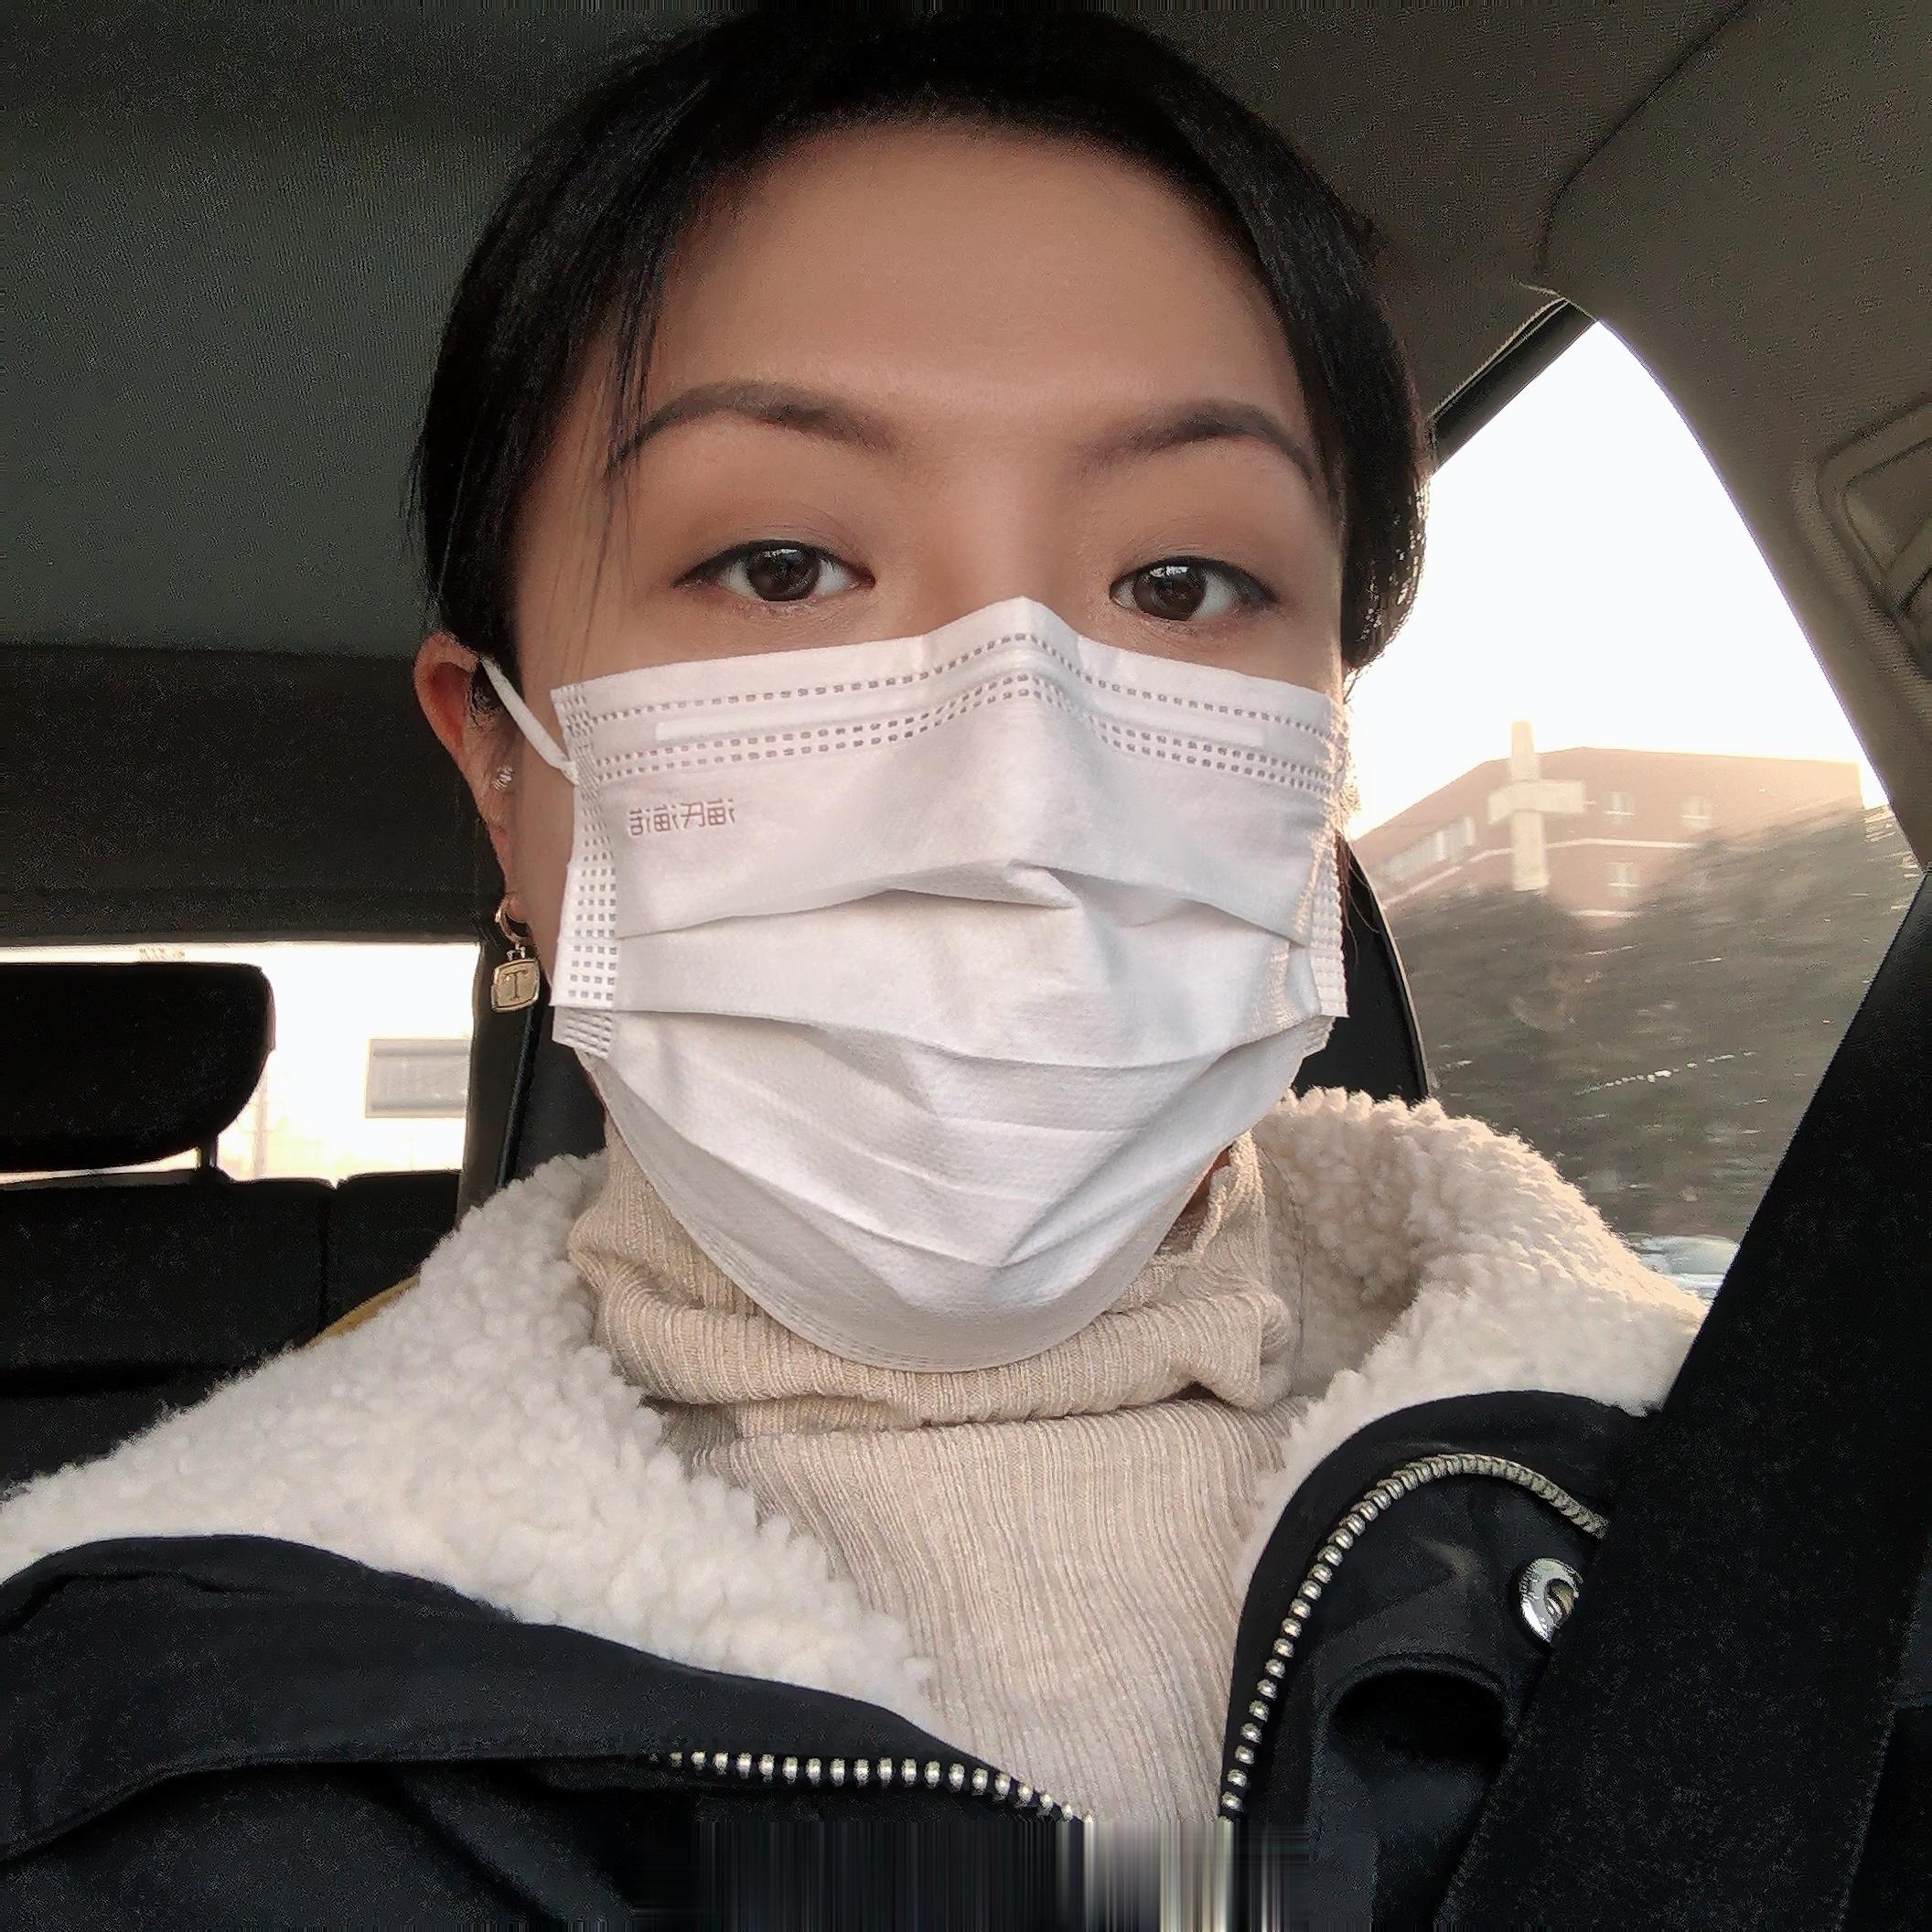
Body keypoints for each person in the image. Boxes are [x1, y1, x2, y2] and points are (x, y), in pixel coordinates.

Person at [0, 9, 1705, 1920]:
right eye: (782, 567)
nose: (1012, 791)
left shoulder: (1767, 1497)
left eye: (1183, 585)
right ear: (499, 762)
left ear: (1325, 759)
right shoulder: (120, 1729)